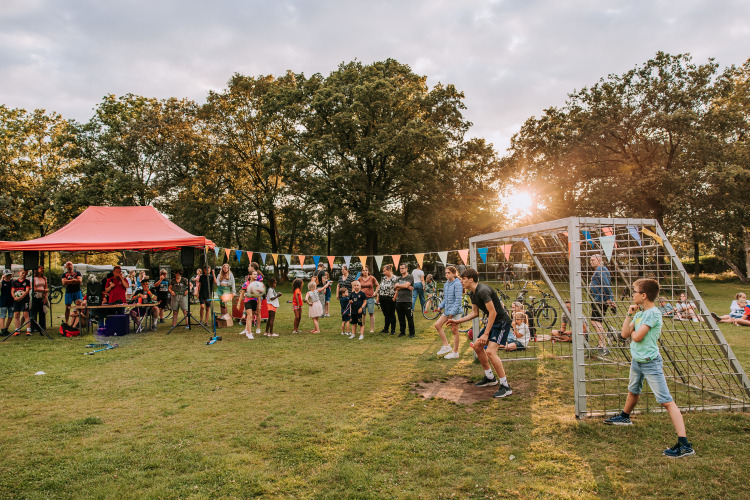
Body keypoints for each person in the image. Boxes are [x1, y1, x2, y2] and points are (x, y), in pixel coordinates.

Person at [604, 278, 695, 458]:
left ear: (644, 295)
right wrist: (629, 315)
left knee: (666, 401)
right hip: (637, 360)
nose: (632, 294)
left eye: (634, 292)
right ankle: (624, 416)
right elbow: (624, 334)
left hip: (650, 362)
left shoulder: (653, 314)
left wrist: (633, 329)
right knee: (633, 391)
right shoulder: (640, 314)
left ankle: (685, 445)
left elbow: (636, 337)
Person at [447, 268, 513, 398]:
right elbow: (475, 313)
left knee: (490, 352)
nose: (461, 282)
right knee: (477, 346)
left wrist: (486, 333)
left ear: (471, 279)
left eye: (463, 279)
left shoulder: (483, 291)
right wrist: (457, 321)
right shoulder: (472, 293)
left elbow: (493, 312)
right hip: (493, 322)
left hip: (502, 322)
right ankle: (490, 378)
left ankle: (505, 386)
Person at [589, 254, 615, 356]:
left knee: (595, 321)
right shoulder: (600, 269)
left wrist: (608, 298)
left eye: (593, 260)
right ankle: (600, 344)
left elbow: (606, 284)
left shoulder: (600, 269)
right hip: (599, 298)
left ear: (599, 260)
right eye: (590, 260)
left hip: (600, 299)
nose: (591, 262)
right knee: (598, 321)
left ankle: (603, 346)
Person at [434, 265, 462, 359]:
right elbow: (445, 298)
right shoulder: (446, 284)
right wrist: (440, 306)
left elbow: (458, 300)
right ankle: (446, 346)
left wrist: (452, 313)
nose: (446, 274)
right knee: (437, 325)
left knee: (454, 330)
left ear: (454, 273)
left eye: (448, 273)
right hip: (447, 310)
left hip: (456, 311)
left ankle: (455, 352)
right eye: (445, 273)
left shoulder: (457, 283)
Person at [394, 263, 415, 337]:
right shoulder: (398, 278)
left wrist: (403, 286)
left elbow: (403, 285)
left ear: (406, 269)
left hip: (407, 300)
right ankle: (402, 332)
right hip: (399, 301)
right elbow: (395, 287)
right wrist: (407, 287)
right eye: (400, 268)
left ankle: (411, 333)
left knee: (409, 318)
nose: (401, 270)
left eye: (403, 268)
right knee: (401, 318)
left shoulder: (410, 277)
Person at [358, 265, 379, 334]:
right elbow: (355, 286)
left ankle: (372, 329)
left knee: (371, 313)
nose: (365, 272)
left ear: (368, 271)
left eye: (366, 270)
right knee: (363, 313)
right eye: (363, 270)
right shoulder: (359, 279)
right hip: (362, 299)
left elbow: (377, 285)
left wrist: (375, 293)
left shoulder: (372, 278)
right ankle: (362, 328)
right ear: (361, 271)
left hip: (370, 298)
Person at [377, 264, 398, 334]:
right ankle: (386, 329)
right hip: (382, 298)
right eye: (383, 271)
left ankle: (393, 329)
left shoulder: (395, 278)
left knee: (391, 314)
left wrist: (394, 297)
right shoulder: (383, 278)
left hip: (390, 298)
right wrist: (378, 297)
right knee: (386, 314)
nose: (384, 273)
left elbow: (397, 289)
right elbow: (380, 287)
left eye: (384, 271)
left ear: (389, 270)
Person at [239, 270, 260, 338]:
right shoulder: (246, 284)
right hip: (247, 301)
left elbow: (259, 295)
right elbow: (242, 294)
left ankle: (248, 331)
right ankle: (249, 333)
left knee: (251, 317)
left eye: (256, 274)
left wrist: (259, 304)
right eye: (254, 274)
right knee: (249, 316)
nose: (256, 276)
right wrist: (239, 303)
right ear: (250, 276)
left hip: (254, 301)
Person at [11, 269, 31, 335]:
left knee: (26, 314)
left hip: (24, 300)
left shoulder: (27, 281)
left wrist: (21, 297)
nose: (24, 274)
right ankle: (17, 330)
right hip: (16, 301)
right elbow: (12, 291)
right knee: (16, 315)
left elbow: (27, 290)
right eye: (22, 273)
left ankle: (28, 330)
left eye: (25, 273)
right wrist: (15, 297)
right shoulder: (14, 282)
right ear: (19, 273)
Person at [336, 265, 355, 336]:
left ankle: (344, 331)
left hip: (349, 296)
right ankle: (348, 331)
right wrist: (337, 294)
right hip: (342, 296)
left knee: (346, 312)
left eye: (343, 269)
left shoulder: (351, 277)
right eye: (341, 269)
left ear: (347, 270)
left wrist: (352, 295)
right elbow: (338, 286)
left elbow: (353, 286)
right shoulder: (340, 277)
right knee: (346, 310)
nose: (342, 271)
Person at [29, 265, 48, 333]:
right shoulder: (33, 278)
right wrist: (44, 290)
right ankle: (34, 327)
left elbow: (46, 288)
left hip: (42, 296)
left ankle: (42, 326)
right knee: (34, 312)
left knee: (42, 312)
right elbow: (34, 289)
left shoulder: (44, 278)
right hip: (35, 296)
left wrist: (45, 297)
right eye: (41, 268)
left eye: (43, 268)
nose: (42, 269)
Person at [1, 269, 14, 336]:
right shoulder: (2, 282)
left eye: (9, 275)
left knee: (11, 315)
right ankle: (2, 330)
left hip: (11, 301)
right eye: (7, 275)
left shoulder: (12, 282)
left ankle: (6, 328)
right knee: (3, 315)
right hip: (3, 301)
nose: (8, 276)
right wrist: (2, 279)